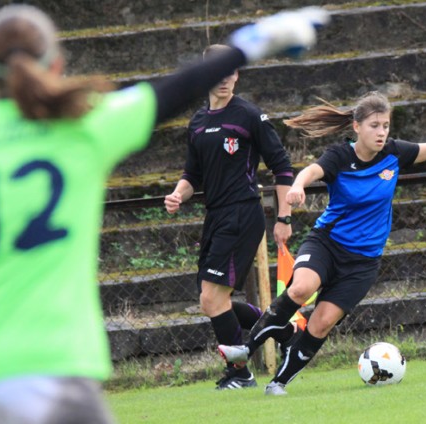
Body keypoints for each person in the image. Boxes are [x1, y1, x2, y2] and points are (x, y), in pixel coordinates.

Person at [0, 4, 328, 422]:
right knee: (214, 297)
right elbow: (171, 91)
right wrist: (254, 40)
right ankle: (260, 346)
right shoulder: (84, 127)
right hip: (55, 368)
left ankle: (248, 357)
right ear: (55, 66)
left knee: (215, 298)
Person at [218, 91, 426, 395]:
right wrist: (298, 185)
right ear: (357, 127)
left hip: (363, 262)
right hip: (326, 244)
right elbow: (313, 170)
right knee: (300, 288)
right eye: (374, 126)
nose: (381, 133)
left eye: (386, 126)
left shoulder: (394, 153)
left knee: (321, 324)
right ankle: (247, 349)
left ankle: (279, 383)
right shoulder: (340, 156)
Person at [163, 43, 296, 390]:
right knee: (213, 301)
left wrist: (284, 218)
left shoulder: (249, 115)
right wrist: (179, 193)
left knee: (211, 299)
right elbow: (193, 176)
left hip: (242, 213)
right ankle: (284, 330)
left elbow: (282, 168)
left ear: (237, 75)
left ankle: (240, 374)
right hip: (216, 216)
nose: (225, 80)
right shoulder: (198, 122)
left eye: (231, 72)